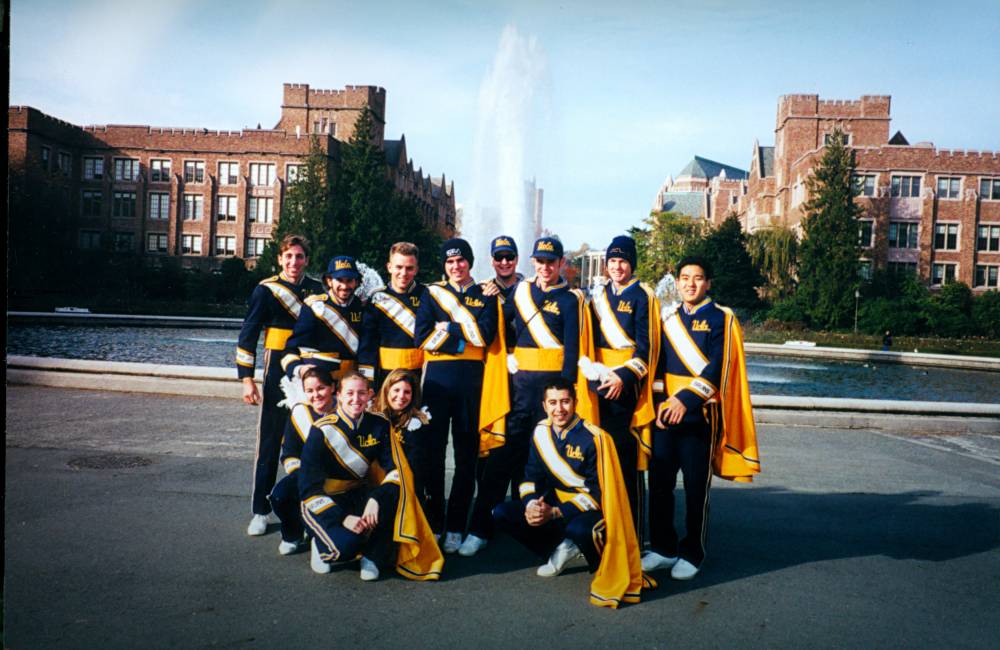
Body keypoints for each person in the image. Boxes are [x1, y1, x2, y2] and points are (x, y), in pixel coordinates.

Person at [462, 236, 593, 557]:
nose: (545, 267)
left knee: (548, 465)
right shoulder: (521, 291)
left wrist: (567, 395)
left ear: (562, 263)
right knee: (500, 464)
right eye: (540, 261)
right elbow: (500, 325)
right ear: (532, 262)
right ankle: (480, 528)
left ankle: (543, 530)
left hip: (551, 399)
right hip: (518, 393)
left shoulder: (571, 299)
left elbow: (573, 349)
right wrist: (505, 354)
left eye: (551, 261)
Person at [643, 256, 760, 581]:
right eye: (684, 277)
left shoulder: (722, 318)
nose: (690, 284)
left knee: (696, 489)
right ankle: (664, 547)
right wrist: (660, 404)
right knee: (661, 485)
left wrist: (685, 401)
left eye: (697, 278)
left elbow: (718, 367)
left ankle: (693, 551)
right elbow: (657, 368)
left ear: (708, 283)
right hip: (666, 415)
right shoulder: (668, 319)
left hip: (700, 416)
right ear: (677, 282)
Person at [492, 377, 650, 608]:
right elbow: (529, 477)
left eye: (565, 402)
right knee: (502, 512)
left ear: (575, 402)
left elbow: (598, 494)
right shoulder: (540, 432)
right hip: (554, 505)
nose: (559, 409)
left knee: (580, 529)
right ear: (544, 406)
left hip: (590, 510)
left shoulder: (594, 438)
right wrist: (531, 505)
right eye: (553, 403)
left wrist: (556, 512)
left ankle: (598, 563)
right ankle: (559, 549)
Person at [299, 372, 442, 581]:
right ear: (338, 395)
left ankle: (372, 557)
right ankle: (319, 541)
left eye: (361, 393)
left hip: (358, 493)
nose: (355, 399)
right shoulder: (321, 429)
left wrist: (377, 498)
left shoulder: (379, 424)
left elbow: (395, 470)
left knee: (392, 496)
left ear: (370, 395)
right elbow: (308, 488)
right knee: (348, 546)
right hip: (326, 501)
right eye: (349, 393)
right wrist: (343, 518)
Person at [414, 238, 500, 553]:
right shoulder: (431, 293)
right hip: (437, 382)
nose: (456, 266)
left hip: (471, 383)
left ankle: (455, 525)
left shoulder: (485, 293)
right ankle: (435, 520)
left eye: (461, 261)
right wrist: (464, 339)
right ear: (444, 265)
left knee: (466, 457)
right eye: (450, 262)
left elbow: (486, 336)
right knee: (432, 454)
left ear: (470, 262)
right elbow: (422, 337)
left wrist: (447, 328)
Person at [237, 234, 324, 536]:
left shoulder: (316, 289)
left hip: (310, 367)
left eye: (299, 257)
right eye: (289, 256)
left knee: (311, 438)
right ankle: (260, 510)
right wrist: (247, 379)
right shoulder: (266, 290)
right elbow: (248, 336)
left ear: (307, 260)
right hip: (276, 368)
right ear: (279, 259)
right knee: (270, 441)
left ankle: (309, 507)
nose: (294, 262)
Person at [586, 235, 660, 533]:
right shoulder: (599, 295)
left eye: (623, 260)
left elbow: (648, 349)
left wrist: (623, 377)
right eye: (613, 261)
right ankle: (603, 526)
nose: (617, 266)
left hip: (626, 387)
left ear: (632, 263)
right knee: (599, 459)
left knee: (627, 462)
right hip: (599, 385)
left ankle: (633, 533)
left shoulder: (644, 295)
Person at [269, 367, 336, 555]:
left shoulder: (345, 409)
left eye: (321, 388)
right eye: (310, 391)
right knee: (280, 495)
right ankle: (293, 533)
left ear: (332, 387)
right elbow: (289, 453)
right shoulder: (299, 413)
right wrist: (302, 476)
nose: (316, 395)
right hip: (307, 473)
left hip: (341, 477)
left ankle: (322, 535)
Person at [282, 256, 364, 382]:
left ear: (357, 282)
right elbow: (293, 347)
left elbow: (367, 350)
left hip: (352, 382)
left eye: (349, 281)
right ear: (329, 281)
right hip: (320, 381)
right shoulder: (314, 307)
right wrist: (299, 369)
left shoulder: (363, 307)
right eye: (339, 280)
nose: (344, 286)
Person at [358, 242, 427, 388]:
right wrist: (367, 382)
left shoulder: (427, 295)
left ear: (416, 269)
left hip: (419, 377)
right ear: (389, 267)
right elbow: (367, 346)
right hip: (385, 378)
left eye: (409, 268)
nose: (403, 273)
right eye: (399, 267)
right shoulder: (376, 298)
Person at [372, 368, 430, 505]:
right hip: (374, 480)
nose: (401, 396)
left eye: (407, 392)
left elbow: (415, 464)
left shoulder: (417, 422)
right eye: (396, 390)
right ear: (387, 390)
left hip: (402, 484)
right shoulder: (372, 415)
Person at [481, 235, 524, 301]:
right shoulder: (483, 289)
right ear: (492, 261)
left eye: (509, 257)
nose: (504, 262)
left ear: (517, 259)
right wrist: (482, 300)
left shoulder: (531, 288)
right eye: (499, 257)